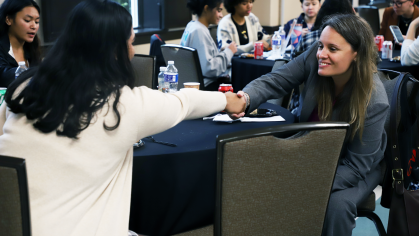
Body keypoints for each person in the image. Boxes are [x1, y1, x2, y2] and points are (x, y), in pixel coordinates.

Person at [0, 1, 245, 236]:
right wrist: (227, 100)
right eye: (130, 42)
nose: (132, 50)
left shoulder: (23, 89)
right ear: (115, 52)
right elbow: (184, 102)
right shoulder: (120, 106)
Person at [232, 14, 389, 236]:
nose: (321, 54)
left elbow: (356, 167)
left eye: (332, 49)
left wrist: (305, 182)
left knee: (337, 205)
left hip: (357, 165)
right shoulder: (315, 59)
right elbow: (276, 80)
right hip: (313, 153)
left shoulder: (374, 100)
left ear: (356, 54)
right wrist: (245, 98)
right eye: (320, 46)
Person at [181, 0, 237, 91]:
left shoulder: (191, 26)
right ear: (206, 8)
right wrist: (229, 52)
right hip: (207, 86)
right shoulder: (199, 31)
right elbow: (210, 69)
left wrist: (221, 53)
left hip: (193, 84)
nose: (221, 15)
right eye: (218, 10)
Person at [0, 0, 41, 88]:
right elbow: (3, 74)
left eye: (37, 22)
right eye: (27, 20)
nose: (34, 26)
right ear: (8, 20)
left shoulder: (32, 48)